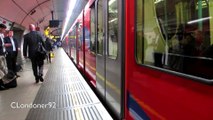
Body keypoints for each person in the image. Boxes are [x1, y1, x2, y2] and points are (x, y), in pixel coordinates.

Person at [0, 24, 8, 90]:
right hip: (0, 55)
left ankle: (4, 82)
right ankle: (1, 84)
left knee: (4, 68)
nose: (4, 31)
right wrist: (4, 45)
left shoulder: (2, 35)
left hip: (3, 54)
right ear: (0, 28)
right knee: (1, 69)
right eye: (4, 29)